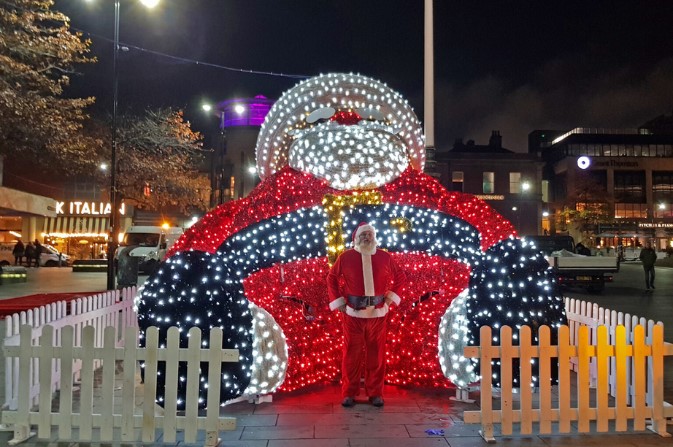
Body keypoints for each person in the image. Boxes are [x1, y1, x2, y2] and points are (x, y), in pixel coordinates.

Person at [327, 222, 406, 408]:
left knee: (376, 356)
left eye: (370, 234)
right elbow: (331, 278)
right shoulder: (345, 257)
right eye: (364, 235)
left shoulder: (385, 257)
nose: (367, 237)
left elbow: (400, 276)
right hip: (353, 314)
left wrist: (390, 299)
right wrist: (338, 302)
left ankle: (375, 393)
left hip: (378, 314)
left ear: (374, 236)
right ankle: (349, 393)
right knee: (351, 355)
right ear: (356, 238)